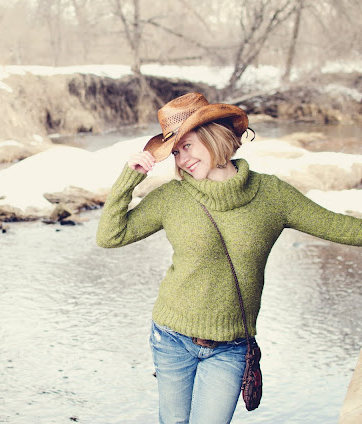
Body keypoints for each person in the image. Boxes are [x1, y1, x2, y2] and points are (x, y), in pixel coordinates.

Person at [95, 92, 362, 423]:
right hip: (172, 338)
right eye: (175, 152)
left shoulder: (272, 195)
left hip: (232, 347)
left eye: (187, 146)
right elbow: (110, 237)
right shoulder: (171, 198)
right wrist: (130, 177)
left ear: (213, 136)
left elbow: (341, 227)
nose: (182, 160)